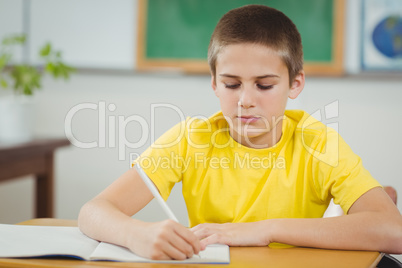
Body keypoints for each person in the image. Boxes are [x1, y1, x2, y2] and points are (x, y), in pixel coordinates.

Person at [78, 5, 402, 260]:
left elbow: (392, 231)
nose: (245, 101)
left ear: (295, 84)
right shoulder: (192, 140)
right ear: (214, 84)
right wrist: (136, 234)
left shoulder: (318, 142)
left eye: (264, 85)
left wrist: (264, 231)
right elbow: (93, 212)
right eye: (232, 84)